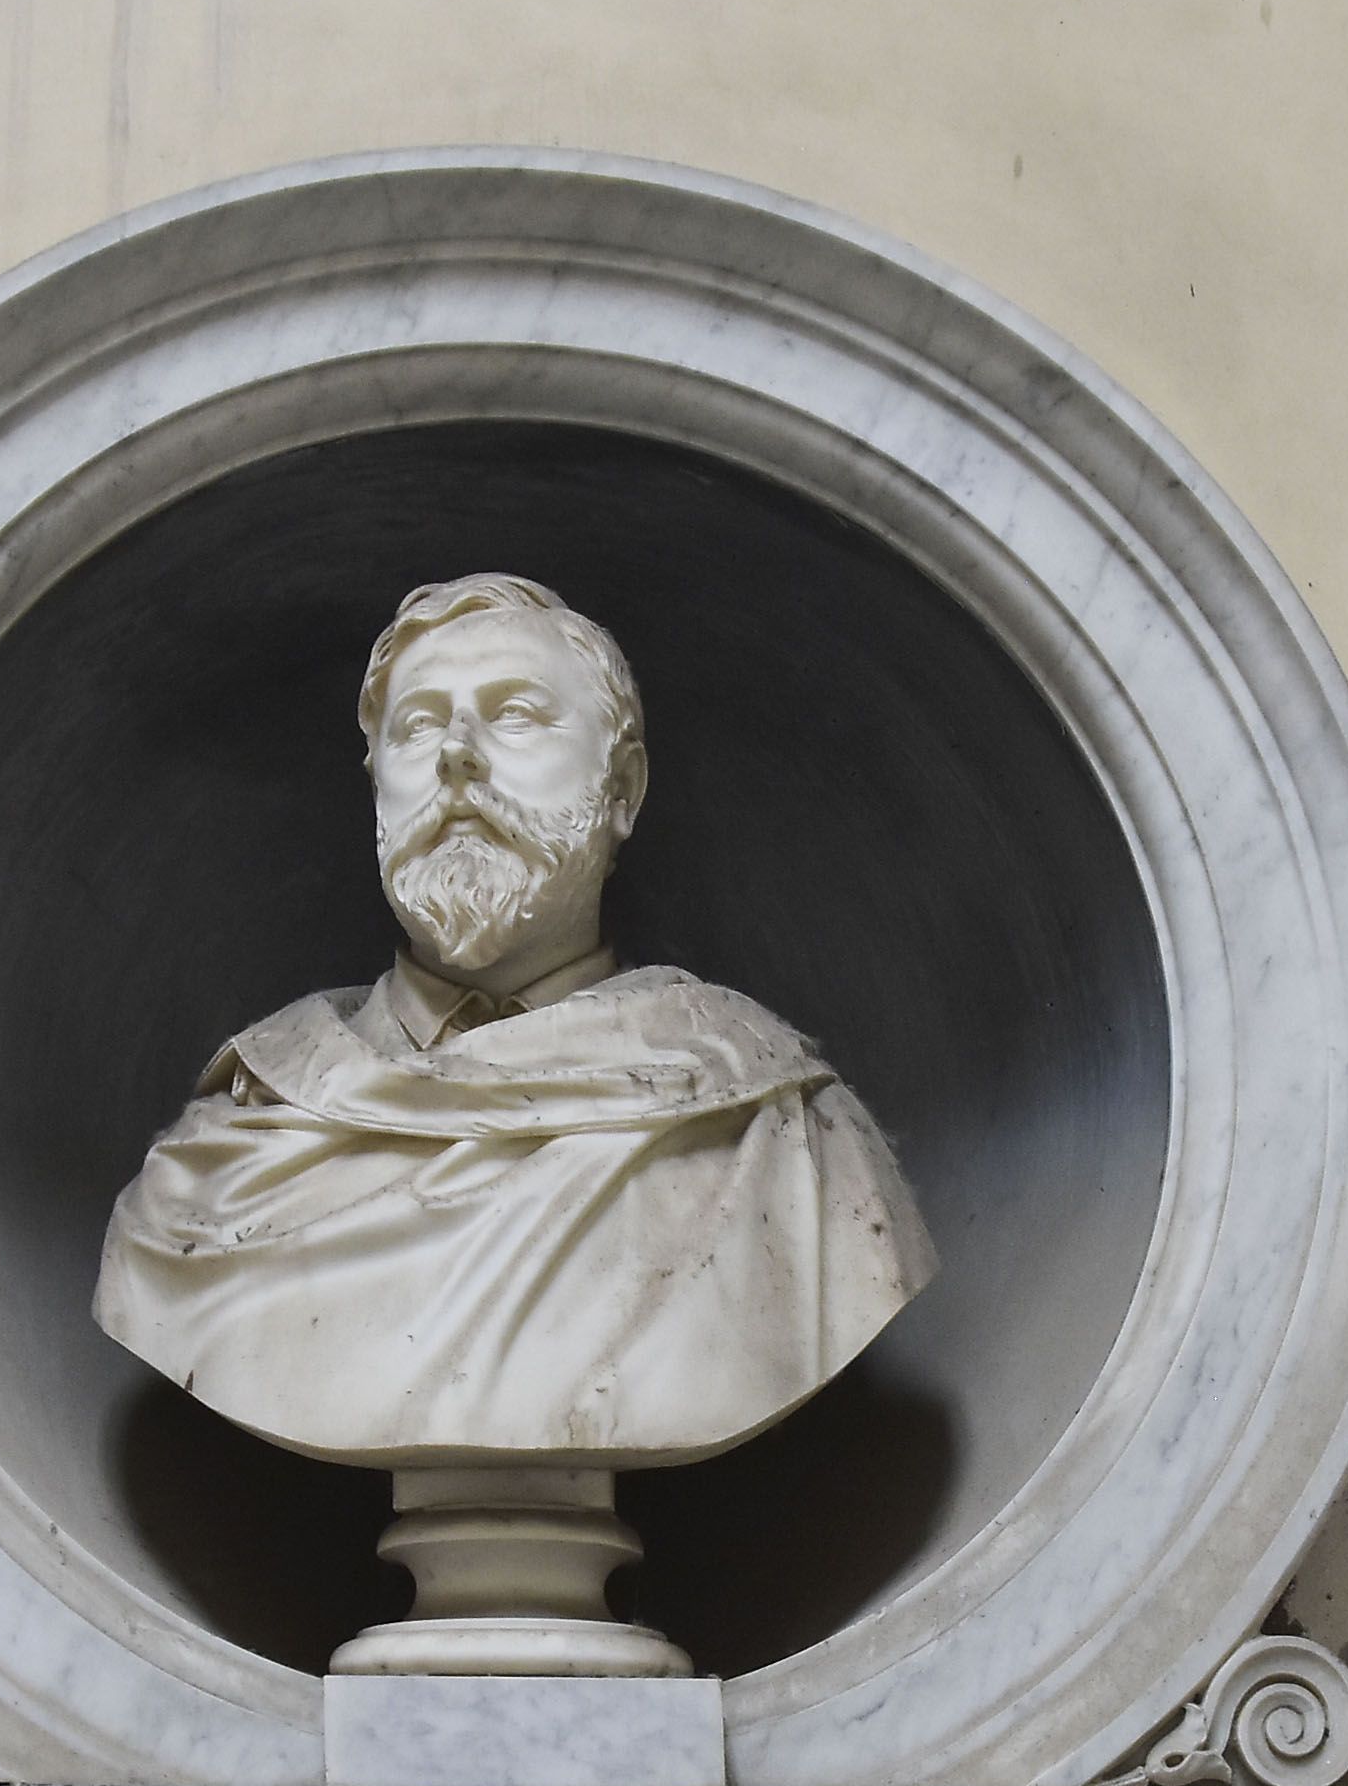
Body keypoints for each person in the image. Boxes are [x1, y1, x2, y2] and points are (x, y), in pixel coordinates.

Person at [95, 574, 934, 1465]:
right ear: (376, 780)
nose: (457, 755)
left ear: (624, 790)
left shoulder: (779, 1136)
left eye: (517, 715)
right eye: (417, 726)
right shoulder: (227, 1154)